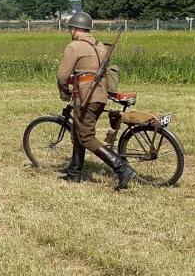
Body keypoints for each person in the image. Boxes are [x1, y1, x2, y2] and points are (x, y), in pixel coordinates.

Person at [56, 12, 136, 190]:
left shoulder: (74, 47)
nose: (70, 31)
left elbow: (62, 76)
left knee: (86, 137)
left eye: (70, 28)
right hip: (100, 96)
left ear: (75, 29)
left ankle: (122, 169)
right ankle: (73, 174)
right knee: (78, 132)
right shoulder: (100, 46)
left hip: (85, 97)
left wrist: (64, 93)